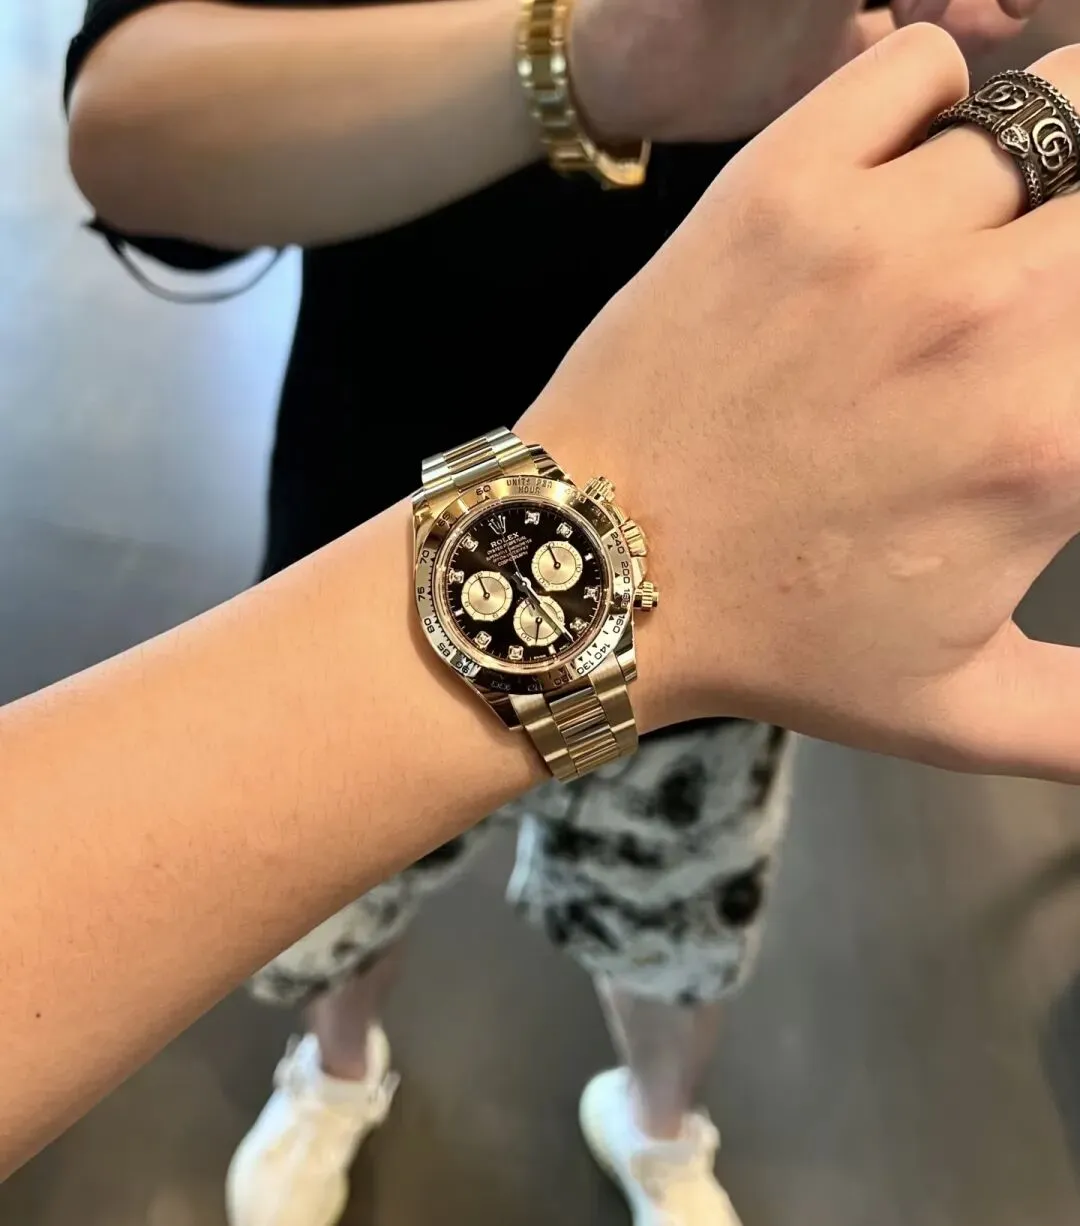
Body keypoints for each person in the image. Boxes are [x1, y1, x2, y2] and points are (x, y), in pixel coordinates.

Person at [63, 4, 1047, 1225]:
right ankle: (338, 1063)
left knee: (678, 913)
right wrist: (592, 60)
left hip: (740, 562)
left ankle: (656, 1118)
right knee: (335, 894)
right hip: (378, 515)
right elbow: (125, 126)